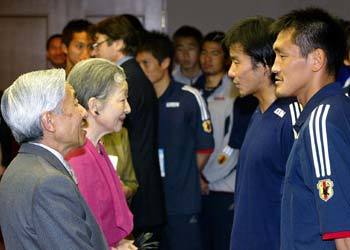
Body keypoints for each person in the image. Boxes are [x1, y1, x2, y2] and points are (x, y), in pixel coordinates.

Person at [0, 69, 108, 249]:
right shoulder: (49, 183)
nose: (83, 112)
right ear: (49, 121)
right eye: (74, 103)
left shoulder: (18, 167)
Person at [271, 8, 350, 250]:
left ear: (316, 60)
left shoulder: (321, 122)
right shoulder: (337, 109)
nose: (274, 67)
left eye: (282, 56)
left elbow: (343, 234)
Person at [224, 16, 300, 250]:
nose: (230, 72)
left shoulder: (293, 118)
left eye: (237, 62)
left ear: (265, 64)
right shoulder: (257, 114)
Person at [136, 31, 214, 250]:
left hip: (181, 202)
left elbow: (205, 146)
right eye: (138, 63)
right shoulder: (136, 101)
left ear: (165, 63)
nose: (141, 69)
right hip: (149, 203)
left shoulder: (189, 97)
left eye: (146, 63)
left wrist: (184, 176)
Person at [91, 16, 166, 239]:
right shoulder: (131, 74)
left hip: (136, 186)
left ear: (119, 43)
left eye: (98, 44)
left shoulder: (126, 78)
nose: (94, 52)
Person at [66, 58, 135, 250]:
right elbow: (85, 231)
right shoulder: (80, 157)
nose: (128, 108)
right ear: (95, 106)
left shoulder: (96, 147)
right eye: (122, 99)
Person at [193, 31, 238, 250]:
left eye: (215, 53)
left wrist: (207, 177)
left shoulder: (235, 90)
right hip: (196, 184)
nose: (207, 58)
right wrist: (196, 175)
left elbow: (232, 144)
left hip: (223, 185)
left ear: (226, 58)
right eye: (204, 52)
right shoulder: (192, 90)